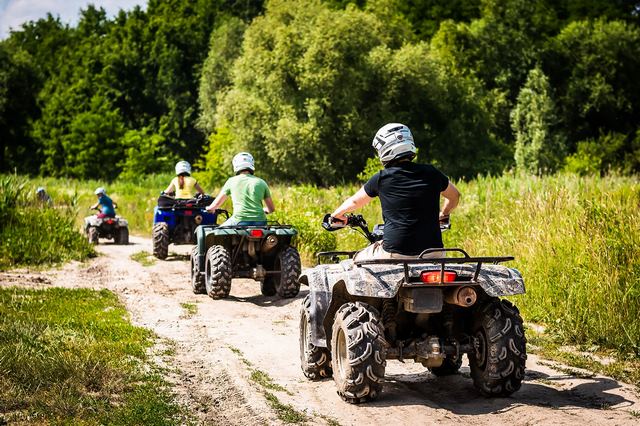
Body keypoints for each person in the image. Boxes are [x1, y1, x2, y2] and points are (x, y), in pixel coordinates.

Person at [330, 123, 460, 261]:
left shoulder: (381, 178)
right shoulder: (432, 173)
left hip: (396, 253)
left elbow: (354, 201)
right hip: (434, 252)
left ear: (384, 149)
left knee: (355, 262)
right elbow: (455, 196)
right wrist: (444, 214)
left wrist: (335, 215)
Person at [206, 152, 275, 226]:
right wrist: (265, 210)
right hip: (260, 221)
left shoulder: (231, 181)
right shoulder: (261, 182)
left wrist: (209, 208)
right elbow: (271, 209)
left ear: (235, 165)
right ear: (252, 164)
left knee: (216, 233)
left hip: (239, 221)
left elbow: (216, 204)